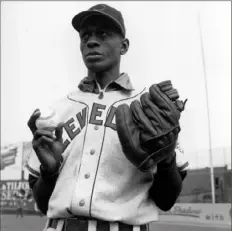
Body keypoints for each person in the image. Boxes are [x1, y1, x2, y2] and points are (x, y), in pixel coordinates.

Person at [26, 4, 189, 231]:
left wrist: (167, 157)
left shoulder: (149, 107)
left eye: (103, 33)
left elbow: (166, 200)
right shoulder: (58, 111)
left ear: (124, 46)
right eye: (85, 36)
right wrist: (50, 172)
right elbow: (44, 204)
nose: (92, 41)